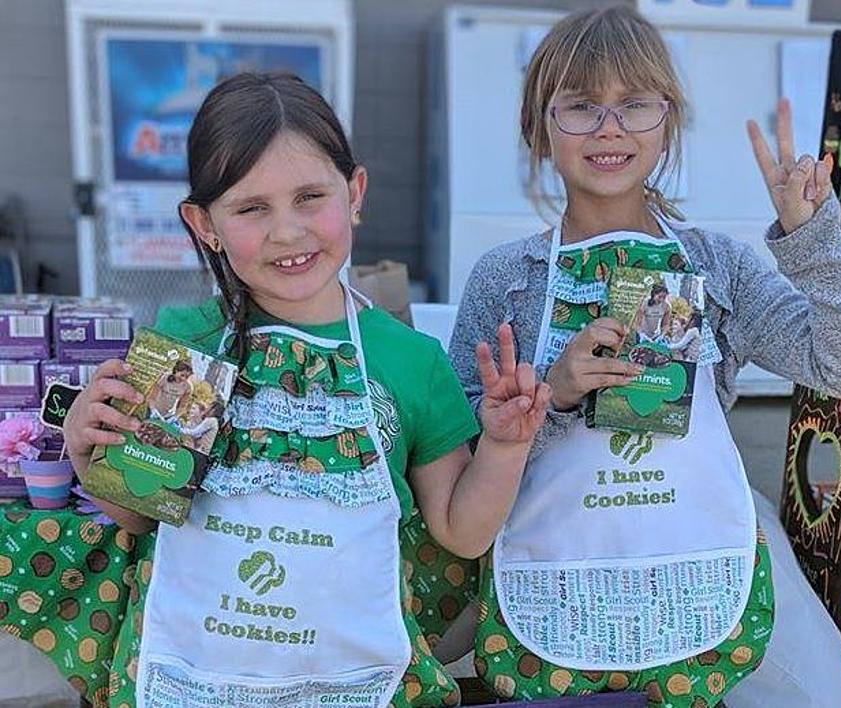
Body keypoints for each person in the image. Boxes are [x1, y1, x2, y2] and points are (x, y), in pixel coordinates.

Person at [63, 72, 551, 708]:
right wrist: (84, 448)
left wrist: (506, 447)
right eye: (250, 207)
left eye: (309, 197)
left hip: (356, 684)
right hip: (195, 681)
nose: (287, 232)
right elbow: (140, 510)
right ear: (203, 222)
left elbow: (462, 531)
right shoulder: (186, 344)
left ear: (355, 194)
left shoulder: (410, 360)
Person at [448, 7, 841, 707]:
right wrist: (551, 396)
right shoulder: (506, 278)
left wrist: (814, 241)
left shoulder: (718, 266)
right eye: (581, 106)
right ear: (539, 129)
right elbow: (455, 449)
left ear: (669, 122)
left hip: (703, 538)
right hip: (546, 544)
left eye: (634, 105)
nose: (609, 128)